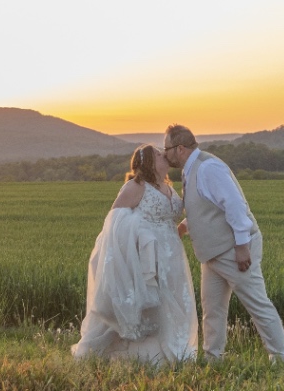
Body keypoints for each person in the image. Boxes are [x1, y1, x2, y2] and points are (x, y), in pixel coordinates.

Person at [163, 123, 284, 362]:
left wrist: (242, 247)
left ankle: (281, 359)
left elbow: (234, 205)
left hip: (233, 251)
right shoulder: (190, 170)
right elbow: (207, 207)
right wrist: (184, 227)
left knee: (257, 305)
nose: (164, 154)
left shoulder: (208, 167)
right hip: (212, 255)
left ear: (179, 148)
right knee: (212, 309)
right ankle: (213, 359)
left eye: (166, 148)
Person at [70, 143, 198, 364]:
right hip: (148, 257)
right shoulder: (136, 186)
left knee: (173, 301)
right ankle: (146, 357)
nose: (164, 155)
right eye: (158, 154)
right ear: (149, 162)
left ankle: (177, 352)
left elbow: (173, 219)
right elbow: (115, 223)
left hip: (172, 255)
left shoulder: (168, 187)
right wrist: (144, 235)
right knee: (154, 305)